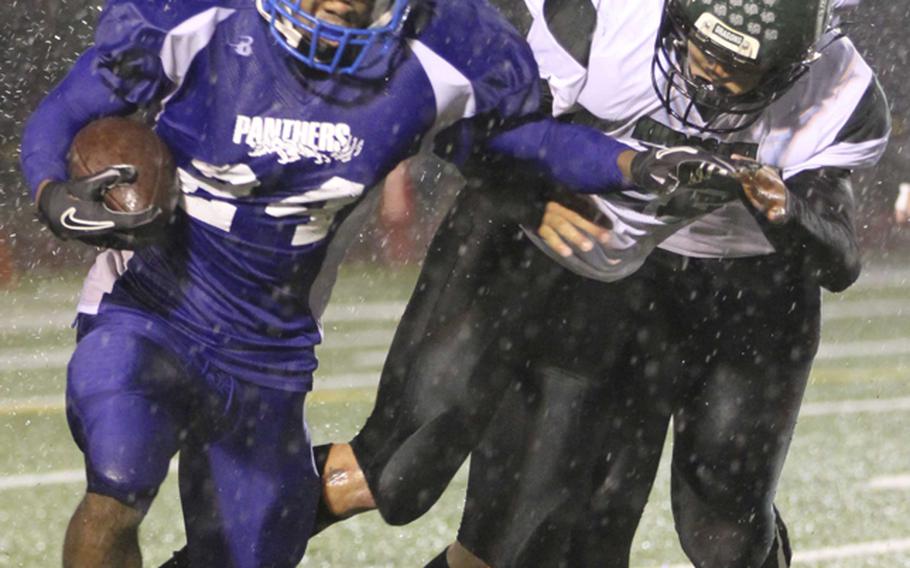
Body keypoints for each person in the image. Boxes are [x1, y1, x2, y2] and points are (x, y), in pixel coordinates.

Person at [20, 0, 732, 565]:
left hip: (269, 354)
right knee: (118, 480)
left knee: (248, 548)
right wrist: (53, 192)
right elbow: (67, 108)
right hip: (152, 307)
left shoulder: (443, 48)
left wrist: (634, 167)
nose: (334, 10)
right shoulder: (198, 17)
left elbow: (527, 141)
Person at [318, 0, 892, 566]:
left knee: (709, 534)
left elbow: (837, 260)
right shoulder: (597, 21)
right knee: (411, 478)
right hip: (567, 252)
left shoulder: (837, 86)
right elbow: (484, 130)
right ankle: (230, 524)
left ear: (795, 64)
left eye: (743, 68)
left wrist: (787, 212)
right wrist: (529, 196)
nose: (712, 78)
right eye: (705, 50)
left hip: (724, 285)